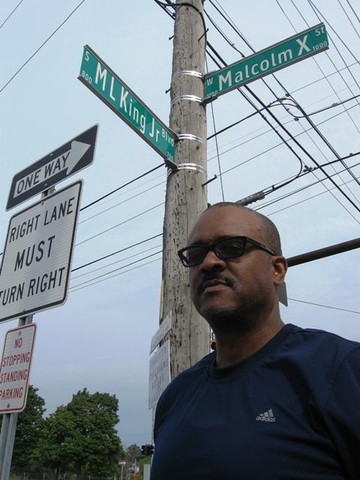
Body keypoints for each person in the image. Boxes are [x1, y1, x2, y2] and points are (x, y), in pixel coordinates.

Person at [150, 202, 360, 480]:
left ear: (277, 270)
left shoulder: (339, 370)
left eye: (233, 247)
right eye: (196, 254)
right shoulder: (175, 397)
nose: (209, 262)